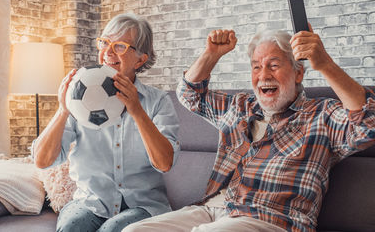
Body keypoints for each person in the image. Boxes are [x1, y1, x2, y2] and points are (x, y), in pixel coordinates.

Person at [123, 24, 375, 232]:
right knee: (133, 231)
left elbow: (368, 123)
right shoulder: (240, 106)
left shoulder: (322, 114)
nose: (263, 75)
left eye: (274, 65)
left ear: (298, 74)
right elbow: (189, 94)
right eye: (256, 66)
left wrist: (324, 64)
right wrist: (211, 54)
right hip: (213, 210)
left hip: (272, 219)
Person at [32, 13, 180, 232]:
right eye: (104, 43)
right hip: (89, 203)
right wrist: (63, 110)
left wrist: (137, 111)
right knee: (72, 227)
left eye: (119, 46)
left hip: (143, 206)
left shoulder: (158, 102)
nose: (108, 52)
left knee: (112, 230)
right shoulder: (79, 98)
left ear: (140, 59)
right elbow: (42, 161)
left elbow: (165, 163)